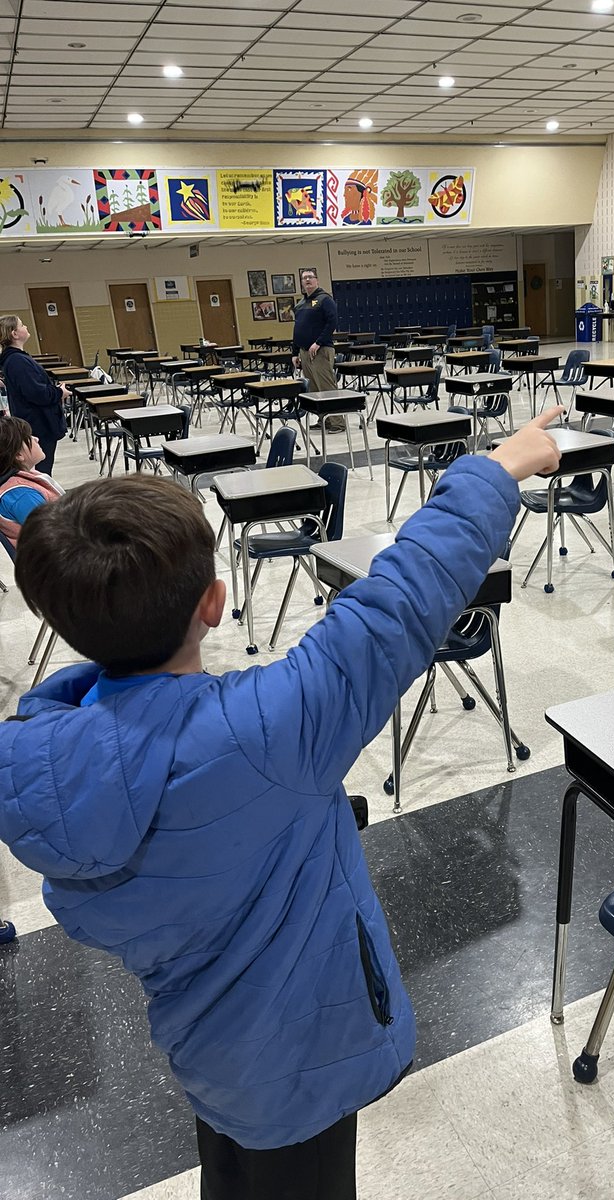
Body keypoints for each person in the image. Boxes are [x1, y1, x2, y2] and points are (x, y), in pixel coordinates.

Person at [0, 408, 564, 1200]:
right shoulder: (267, 731)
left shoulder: (42, 763)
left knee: (231, 1165)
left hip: (203, 1043)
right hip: (305, 1057)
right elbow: (403, 597)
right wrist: (495, 469)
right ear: (214, 603)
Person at [0, 316, 69, 475]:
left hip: (35, 420)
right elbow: (37, 394)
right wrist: (59, 392)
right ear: (14, 334)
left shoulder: (16, 358)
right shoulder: (17, 360)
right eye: (22, 325)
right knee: (41, 470)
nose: (26, 327)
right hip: (37, 422)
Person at [291, 268, 344, 433]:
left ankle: (337, 423)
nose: (307, 280)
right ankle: (323, 419)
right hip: (304, 351)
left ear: (317, 280)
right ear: (301, 282)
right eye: (304, 278)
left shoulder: (324, 299)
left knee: (326, 387)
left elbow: (332, 322)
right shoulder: (300, 304)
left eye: (310, 277)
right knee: (314, 389)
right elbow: (297, 328)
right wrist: (294, 352)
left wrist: (318, 342)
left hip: (320, 350)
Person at [0, 415, 63, 549]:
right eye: (29, 437)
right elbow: (54, 536)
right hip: (58, 558)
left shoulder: (19, 483)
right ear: (18, 455)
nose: (36, 439)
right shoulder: (22, 496)